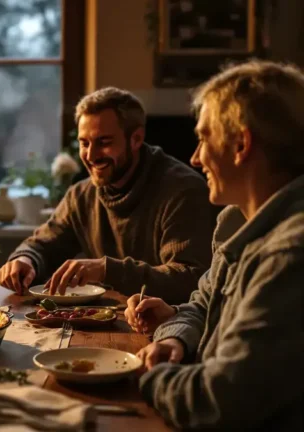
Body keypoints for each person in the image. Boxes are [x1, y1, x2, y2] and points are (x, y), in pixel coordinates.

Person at [126, 60, 304, 430]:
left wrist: (137, 376)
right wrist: (175, 340)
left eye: (204, 138)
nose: (194, 157)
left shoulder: (289, 255)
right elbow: (203, 304)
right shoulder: (236, 221)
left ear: (240, 144)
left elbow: (224, 399)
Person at [0, 87, 214, 304]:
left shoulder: (183, 190)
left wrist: (106, 270)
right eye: (84, 143)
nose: (91, 156)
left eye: (104, 142)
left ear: (136, 139)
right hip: (107, 322)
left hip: (169, 326)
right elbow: (43, 245)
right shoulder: (81, 195)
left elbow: (191, 279)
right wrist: (25, 260)